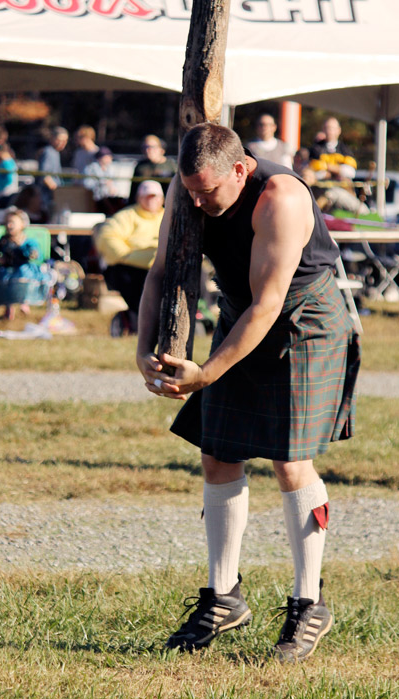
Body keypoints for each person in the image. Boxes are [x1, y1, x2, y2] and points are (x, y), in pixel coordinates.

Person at [136, 123, 360, 662]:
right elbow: (162, 270)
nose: (195, 200)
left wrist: (207, 372)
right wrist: (142, 346)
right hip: (241, 315)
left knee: (289, 462)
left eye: (206, 191)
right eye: (188, 189)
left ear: (241, 170)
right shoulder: (189, 190)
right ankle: (223, 597)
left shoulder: (281, 199)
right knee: (218, 455)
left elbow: (270, 303)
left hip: (304, 318)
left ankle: (309, 604)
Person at [95, 180, 164, 335]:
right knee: (133, 284)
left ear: (162, 199)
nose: (151, 200)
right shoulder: (126, 216)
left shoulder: (169, 217)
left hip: (162, 266)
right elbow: (107, 237)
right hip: (131, 267)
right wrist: (128, 256)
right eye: (147, 197)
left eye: (155, 197)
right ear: (139, 198)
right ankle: (136, 325)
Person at [0, 207, 50, 320]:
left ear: (22, 225)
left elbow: (36, 253)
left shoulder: (28, 241)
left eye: (13, 222)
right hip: (7, 269)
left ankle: (24, 303)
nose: (9, 225)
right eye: (7, 222)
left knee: (22, 272)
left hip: (24, 270)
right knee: (1, 274)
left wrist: (33, 254)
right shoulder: (3, 241)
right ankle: (9, 306)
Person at [304, 117, 369, 214]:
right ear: (323, 130)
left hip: (342, 191)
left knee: (363, 211)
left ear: (339, 131)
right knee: (328, 196)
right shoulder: (316, 149)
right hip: (320, 191)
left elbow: (350, 173)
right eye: (327, 128)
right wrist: (337, 171)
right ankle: (313, 214)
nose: (330, 131)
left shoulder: (344, 149)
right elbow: (314, 173)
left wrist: (328, 167)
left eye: (333, 128)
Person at [128, 134, 177, 203]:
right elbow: (133, 191)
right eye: (145, 147)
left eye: (151, 147)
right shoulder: (141, 167)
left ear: (161, 150)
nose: (148, 150)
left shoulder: (172, 166)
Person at [83, 146, 126, 216]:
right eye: (107, 157)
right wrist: (102, 183)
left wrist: (112, 188)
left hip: (110, 200)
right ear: (100, 158)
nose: (110, 159)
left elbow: (116, 185)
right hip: (95, 200)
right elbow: (87, 184)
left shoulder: (111, 169)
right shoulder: (91, 168)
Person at [36, 126, 69, 213]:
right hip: (47, 198)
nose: (62, 143)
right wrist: (58, 192)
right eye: (59, 140)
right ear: (52, 138)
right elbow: (45, 176)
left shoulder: (55, 153)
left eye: (65, 140)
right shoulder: (48, 152)